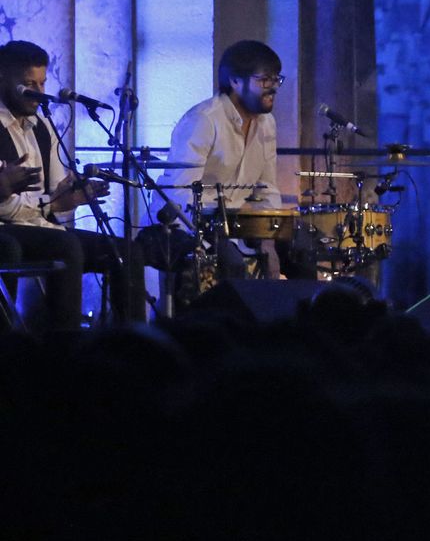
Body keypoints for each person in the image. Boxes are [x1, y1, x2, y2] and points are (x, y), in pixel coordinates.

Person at [0, 40, 138, 330]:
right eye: (28, 84)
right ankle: (64, 349)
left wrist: (72, 197)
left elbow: (56, 200)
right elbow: (9, 208)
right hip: (8, 229)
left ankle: (132, 346)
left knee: (124, 249)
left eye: (42, 83)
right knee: (66, 245)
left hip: (39, 226)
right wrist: (51, 204)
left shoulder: (42, 125)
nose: (39, 93)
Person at [158, 40, 288, 279]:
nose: (273, 88)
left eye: (276, 79)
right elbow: (179, 193)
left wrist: (268, 237)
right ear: (235, 82)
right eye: (264, 80)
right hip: (190, 225)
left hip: (237, 224)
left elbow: (267, 188)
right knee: (231, 262)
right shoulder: (204, 120)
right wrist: (220, 229)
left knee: (300, 249)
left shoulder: (267, 123)